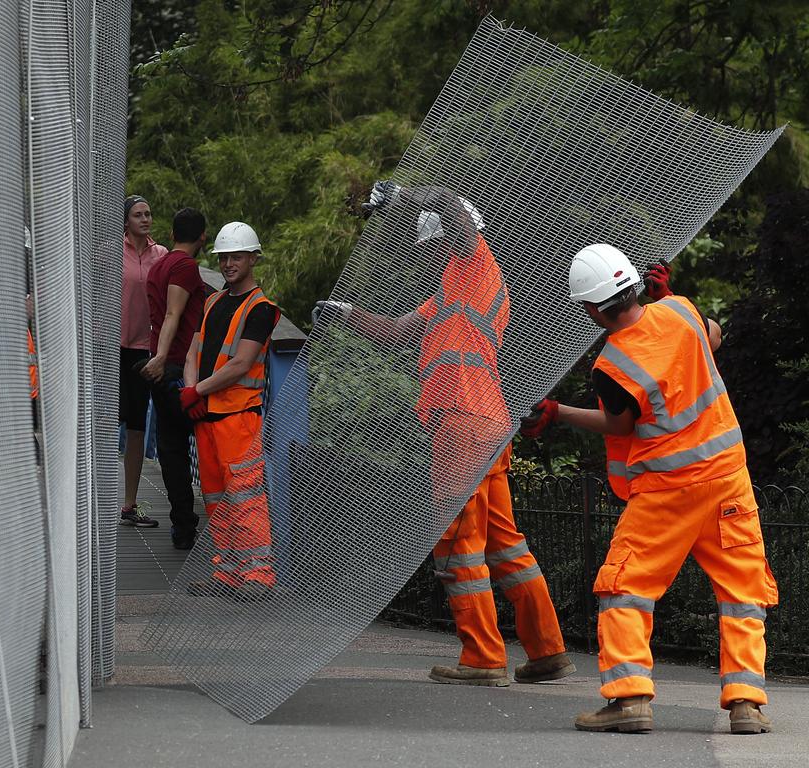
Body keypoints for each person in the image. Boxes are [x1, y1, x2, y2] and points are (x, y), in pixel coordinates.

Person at [314, 182, 572, 686]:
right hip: (484, 422)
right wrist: (347, 316)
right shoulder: (452, 288)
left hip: (460, 420)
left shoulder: (477, 263)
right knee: (504, 546)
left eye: (439, 244)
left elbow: (451, 205)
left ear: (460, 234)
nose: (435, 255)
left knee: (456, 543)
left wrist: (400, 195)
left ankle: (482, 659)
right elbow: (403, 332)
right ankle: (547, 651)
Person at [521, 243, 777, 734]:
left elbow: (619, 425)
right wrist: (674, 298)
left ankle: (630, 699)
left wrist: (557, 413)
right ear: (638, 285)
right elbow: (714, 338)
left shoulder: (613, 363)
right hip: (728, 478)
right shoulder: (680, 311)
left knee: (625, 587)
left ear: (593, 309)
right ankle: (747, 704)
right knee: (743, 591)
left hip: (667, 491)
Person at [180, 221, 280, 601]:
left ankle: (259, 576)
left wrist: (196, 391)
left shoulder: (262, 309)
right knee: (217, 497)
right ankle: (228, 572)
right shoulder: (213, 301)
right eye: (223, 258)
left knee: (246, 495)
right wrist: (192, 391)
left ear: (253, 258)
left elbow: (241, 364)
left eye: (236, 257)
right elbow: (194, 350)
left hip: (238, 418)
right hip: (207, 416)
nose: (228, 264)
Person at [140, 207, 207, 548]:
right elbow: (172, 313)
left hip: (161, 366)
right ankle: (208, 526)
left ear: (171, 233)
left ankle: (183, 528)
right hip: (178, 367)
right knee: (204, 444)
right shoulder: (184, 266)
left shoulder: (158, 266)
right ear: (203, 238)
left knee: (171, 451)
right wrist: (164, 357)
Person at [120, 195, 167, 527]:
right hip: (109, 348)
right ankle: (90, 501)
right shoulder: (109, 252)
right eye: (138, 214)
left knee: (137, 427)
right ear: (126, 220)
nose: (145, 219)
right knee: (103, 427)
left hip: (143, 350)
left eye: (149, 214)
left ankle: (129, 504)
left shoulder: (160, 255)